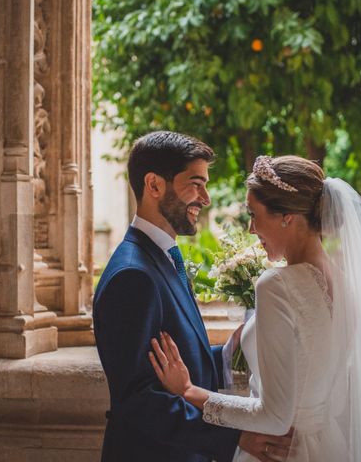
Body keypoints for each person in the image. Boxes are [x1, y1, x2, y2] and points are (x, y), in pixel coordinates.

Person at [149, 155, 361, 461]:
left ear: (287, 216)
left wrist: (190, 391)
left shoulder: (276, 285)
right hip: (328, 444)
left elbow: (274, 417)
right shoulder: (344, 284)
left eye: (253, 214)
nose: (250, 228)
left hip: (279, 451)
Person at [93, 132, 293, 462]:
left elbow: (175, 364)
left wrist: (229, 351)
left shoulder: (162, 255)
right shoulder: (132, 275)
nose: (206, 198)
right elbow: (138, 399)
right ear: (154, 185)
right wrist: (235, 438)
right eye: (195, 183)